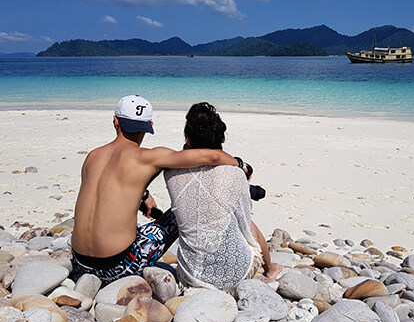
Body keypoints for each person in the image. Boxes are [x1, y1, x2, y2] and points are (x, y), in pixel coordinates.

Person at [71, 95, 240, 284]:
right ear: (149, 126)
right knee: (176, 215)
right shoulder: (148, 157)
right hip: (118, 266)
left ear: (116, 121)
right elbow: (213, 157)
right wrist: (241, 165)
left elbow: (106, 189)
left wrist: (143, 195)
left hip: (80, 263)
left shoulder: (93, 156)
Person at [164, 102, 282, 290]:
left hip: (190, 274)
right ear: (219, 142)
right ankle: (270, 269)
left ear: (188, 139)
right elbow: (244, 222)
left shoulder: (170, 173)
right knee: (250, 226)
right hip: (234, 275)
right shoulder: (235, 173)